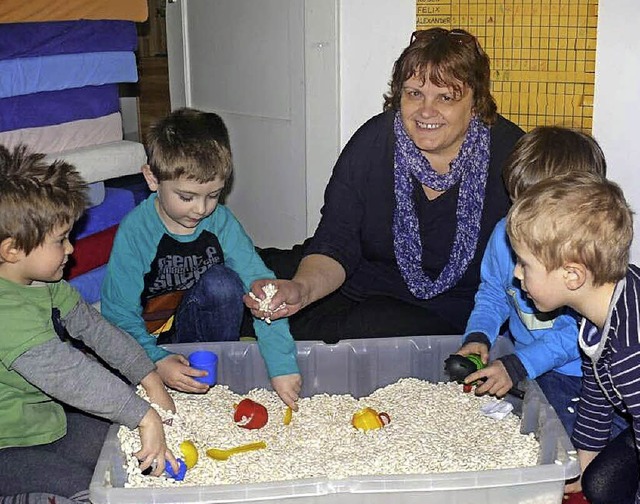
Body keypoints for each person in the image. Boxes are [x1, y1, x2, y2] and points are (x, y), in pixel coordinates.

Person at [245, 28, 524, 343]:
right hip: (360, 285)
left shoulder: (513, 158)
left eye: (445, 97)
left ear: (475, 103)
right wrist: (301, 290)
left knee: (370, 327)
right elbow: (337, 241)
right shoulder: (375, 141)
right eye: (414, 93)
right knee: (245, 274)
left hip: (453, 312)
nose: (426, 110)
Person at [0, 145, 177, 500]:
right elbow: (70, 373)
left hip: (45, 424)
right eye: (60, 240)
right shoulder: (6, 314)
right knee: (89, 491)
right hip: (6, 447)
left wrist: (149, 377)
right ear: (13, 250)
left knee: (121, 450)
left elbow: (96, 330)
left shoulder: (44, 284)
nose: (71, 250)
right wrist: (144, 415)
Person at [100, 107, 301, 409]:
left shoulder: (220, 221)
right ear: (152, 178)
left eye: (213, 195)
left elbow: (263, 291)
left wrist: (281, 364)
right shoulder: (137, 231)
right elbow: (118, 313)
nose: (201, 209)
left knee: (224, 283)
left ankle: (211, 380)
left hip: (195, 330)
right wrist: (155, 361)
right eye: (186, 197)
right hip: (145, 343)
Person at [457, 126, 611, 437]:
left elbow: (576, 335)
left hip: (577, 375)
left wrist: (518, 366)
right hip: (523, 362)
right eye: (515, 204)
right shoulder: (503, 236)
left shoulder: (581, 261)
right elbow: (492, 294)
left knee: (555, 437)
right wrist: (479, 335)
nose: (516, 220)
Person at [506, 172, 639, 504]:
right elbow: (596, 394)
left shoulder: (628, 354)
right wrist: (583, 461)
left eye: (524, 264)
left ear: (572, 275)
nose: (516, 273)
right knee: (599, 483)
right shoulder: (595, 317)